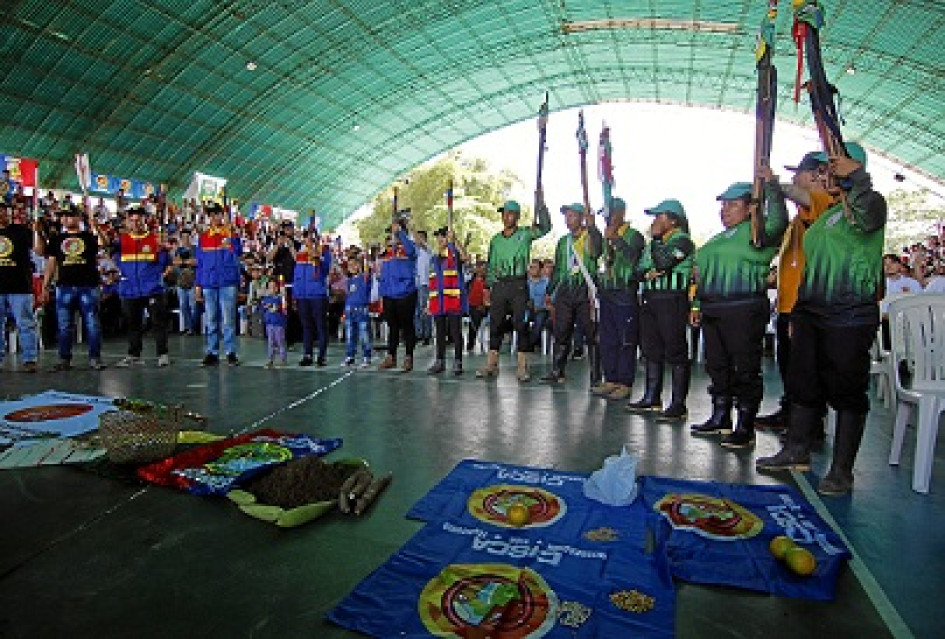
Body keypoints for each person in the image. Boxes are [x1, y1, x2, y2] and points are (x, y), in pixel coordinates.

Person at [757, 143, 888, 496]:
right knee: (803, 384)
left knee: (847, 390)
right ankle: (796, 450)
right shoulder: (825, 216)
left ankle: (842, 471)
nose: (826, 177)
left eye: (834, 170)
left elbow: (868, 215)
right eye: (826, 170)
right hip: (812, 312)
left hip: (849, 314)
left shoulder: (868, 204)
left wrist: (857, 178)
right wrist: (799, 312)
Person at [689, 179, 788, 448]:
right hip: (712, 308)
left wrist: (769, 189)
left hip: (743, 309)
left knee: (745, 369)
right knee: (717, 365)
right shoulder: (717, 239)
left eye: (733, 204)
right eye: (723, 205)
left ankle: (745, 424)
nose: (725, 210)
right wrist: (697, 304)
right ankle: (720, 416)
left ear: (750, 208)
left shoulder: (758, 233)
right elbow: (700, 275)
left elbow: (779, 222)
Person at [754, 152, 832, 433]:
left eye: (798, 173)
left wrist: (773, 183)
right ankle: (789, 413)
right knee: (790, 368)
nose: (794, 178)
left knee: (805, 372)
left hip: (806, 305)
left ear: (816, 175)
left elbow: (803, 196)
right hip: (789, 306)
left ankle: (810, 425)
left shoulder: (826, 203)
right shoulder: (798, 219)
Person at [626, 199, 695, 420]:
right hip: (650, 298)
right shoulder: (650, 246)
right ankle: (651, 397)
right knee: (651, 348)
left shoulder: (683, 242)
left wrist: (656, 242)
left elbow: (664, 262)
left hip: (672, 298)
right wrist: (647, 273)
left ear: (673, 220)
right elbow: (635, 272)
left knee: (675, 350)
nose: (655, 221)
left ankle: (678, 404)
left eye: (659, 216)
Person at [477, 195, 552, 380]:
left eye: (510, 214)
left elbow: (546, 228)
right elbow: (492, 265)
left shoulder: (525, 234)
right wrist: (487, 288)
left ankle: (522, 366)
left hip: (518, 284)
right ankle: (491, 364)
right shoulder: (495, 240)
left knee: (521, 324)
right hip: (500, 285)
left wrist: (541, 205)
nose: (506, 217)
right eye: (504, 214)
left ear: (517, 216)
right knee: (496, 324)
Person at [540, 203, 603, 384]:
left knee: (591, 332)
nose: (568, 220)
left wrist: (593, 228)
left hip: (586, 290)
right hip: (566, 291)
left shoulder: (590, 237)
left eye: (572, 216)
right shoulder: (563, 242)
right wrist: (550, 291)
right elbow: (559, 269)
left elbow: (597, 251)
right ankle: (557, 371)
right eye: (566, 216)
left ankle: (596, 376)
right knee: (561, 330)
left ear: (582, 217)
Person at [592, 196, 645, 401]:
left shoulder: (634, 236)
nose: (608, 219)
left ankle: (625, 382)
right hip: (606, 292)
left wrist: (616, 239)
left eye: (611, 214)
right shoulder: (605, 237)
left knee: (625, 340)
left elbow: (635, 261)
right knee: (608, 339)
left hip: (625, 293)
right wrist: (595, 231)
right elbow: (594, 253)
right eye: (605, 215)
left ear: (622, 212)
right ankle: (610, 378)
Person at [40, 205, 105, 370]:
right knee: (64, 325)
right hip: (64, 287)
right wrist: (45, 286)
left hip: (88, 286)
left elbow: (104, 243)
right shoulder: (57, 239)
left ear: (78, 217)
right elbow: (51, 264)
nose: (66, 219)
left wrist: (96, 226)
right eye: (64, 216)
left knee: (92, 323)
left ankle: (94, 358)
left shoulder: (89, 237)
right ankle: (64, 358)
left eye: (70, 215)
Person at [112, 206, 173, 367]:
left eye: (139, 219)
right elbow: (110, 250)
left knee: (158, 322)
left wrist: (161, 251)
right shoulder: (122, 240)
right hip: (130, 289)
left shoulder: (155, 239)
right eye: (132, 220)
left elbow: (164, 264)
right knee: (133, 323)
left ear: (145, 220)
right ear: (127, 222)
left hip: (153, 289)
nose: (136, 223)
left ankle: (162, 354)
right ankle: (134, 354)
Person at [196, 202, 242, 366]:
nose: (215, 217)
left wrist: (231, 236)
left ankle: (230, 352)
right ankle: (212, 352)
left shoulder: (231, 234)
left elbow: (238, 252)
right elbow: (200, 263)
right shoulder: (203, 237)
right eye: (211, 214)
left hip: (227, 282)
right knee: (211, 319)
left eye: (217, 214)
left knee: (228, 320)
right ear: (208, 217)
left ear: (223, 215)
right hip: (209, 283)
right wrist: (198, 286)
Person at [0, 201, 41, 372]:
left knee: (25, 323)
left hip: (20, 285)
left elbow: (38, 250)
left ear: (9, 213)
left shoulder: (22, 232)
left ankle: (30, 359)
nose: (1, 214)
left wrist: (37, 231)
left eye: (3, 211)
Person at [377, 219, 418, 371]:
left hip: (406, 292)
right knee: (392, 326)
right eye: (391, 232)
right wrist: (383, 291)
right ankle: (390, 356)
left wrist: (400, 234)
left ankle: (408, 357)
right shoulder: (387, 251)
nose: (391, 234)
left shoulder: (409, 246)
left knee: (407, 326)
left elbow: (412, 252)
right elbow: (382, 272)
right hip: (389, 293)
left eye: (394, 231)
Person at [427, 227, 468, 375]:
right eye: (438, 237)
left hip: (452, 302)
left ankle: (458, 361)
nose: (440, 240)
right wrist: (429, 303)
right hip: (438, 303)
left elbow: (465, 257)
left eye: (443, 237)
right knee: (440, 333)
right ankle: (440, 361)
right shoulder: (434, 258)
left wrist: (455, 240)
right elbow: (431, 282)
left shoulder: (454, 255)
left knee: (455, 332)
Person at [293, 231, 331, 366]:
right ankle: (307, 354)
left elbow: (326, 270)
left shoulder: (324, 251)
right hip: (302, 295)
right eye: (306, 237)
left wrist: (318, 258)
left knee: (320, 326)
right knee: (306, 326)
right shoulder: (299, 253)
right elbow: (296, 274)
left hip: (317, 294)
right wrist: (295, 294)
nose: (308, 240)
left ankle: (322, 356)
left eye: (311, 237)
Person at [342, 253, 373, 368]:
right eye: (349, 265)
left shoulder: (364, 278)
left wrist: (365, 257)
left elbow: (367, 270)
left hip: (361, 309)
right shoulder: (349, 281)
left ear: (359, 265)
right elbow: (348, 295)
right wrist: (345, 311)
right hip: (350, 310)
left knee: (364, 334)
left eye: (354, 265)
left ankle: (366, 356)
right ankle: (350, 356)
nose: (351, 267)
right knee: (350, 335)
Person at [173, 230, 198, 334]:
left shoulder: (195, 249)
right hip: (181, 281)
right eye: (183, 237)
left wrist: (183, 262)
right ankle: (189, 327)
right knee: (183, 306)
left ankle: (193, 327)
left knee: (193, 305)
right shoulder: (178, 250)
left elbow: (196, 261)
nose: (185, 239)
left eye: (187, 237)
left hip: (193, 280)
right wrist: (187, 262)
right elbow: (175, 262)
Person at [260, 279, 287, 368]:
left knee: (280, 342)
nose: (272, 289)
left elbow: (284, 310)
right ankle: (270, 359)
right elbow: (262, 309)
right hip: (269, 324)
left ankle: (283, 359)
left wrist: (279, 307)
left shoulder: (280, 298)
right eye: (270, 287)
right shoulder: (266, 299)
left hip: (279, 324)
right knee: (270, 342)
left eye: (274, 287)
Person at [413, 229, 433, 346]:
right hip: (415, 283)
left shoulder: (428, 250)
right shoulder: (415, 251)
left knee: (425, 310)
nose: (416, 240)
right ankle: (418, 334)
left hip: (425, 284)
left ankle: (427, 335)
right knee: (416, 311)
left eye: (419, 237)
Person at [526, 260, 550, 353]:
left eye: (534, 267)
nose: (531, 270)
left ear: (540, 270)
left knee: (539, 320)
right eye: (530, 267)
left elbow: (551, 300)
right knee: (521, 320)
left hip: (542, 310)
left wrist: (541, 307)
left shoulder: (547, 283)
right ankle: (524, 342)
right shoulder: (526, 283)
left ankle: (530, 344)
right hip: (528, 309)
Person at [465, 261, 488, 353]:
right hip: (470, 306)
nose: (483, 270)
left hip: (483, 306)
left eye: (484, 269)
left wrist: (483, 305)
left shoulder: (488, 282)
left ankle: (471, 343)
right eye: (481, 268)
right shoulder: (470, 281)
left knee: (476, 315)